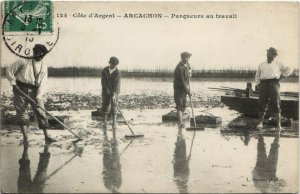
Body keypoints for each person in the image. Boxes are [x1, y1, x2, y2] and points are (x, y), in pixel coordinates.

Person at [6, 44, 56, 143]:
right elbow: (9, 70)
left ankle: (47, 136)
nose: (40, 56)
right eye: (37, 53)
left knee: (41, 112)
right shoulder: (23, 61)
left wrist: (38, 96)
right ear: (34, 52)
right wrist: (14, 84)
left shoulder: (43, 66)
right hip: (20, 90)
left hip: (35, 91)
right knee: (22, 114)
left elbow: (43, 83)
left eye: (42, 54)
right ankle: (26, 139)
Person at [255, 47, 293, 131]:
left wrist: (281, 77)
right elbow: (257, 75)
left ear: (275, 55)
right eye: (268, 54)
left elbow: (289, 69)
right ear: (267, 54)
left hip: (274, 83)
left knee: (276, 103)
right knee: (262, 103)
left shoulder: (279, 63)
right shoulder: (261, 64)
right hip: (263, 84)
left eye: (272, 54)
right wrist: (258, 85)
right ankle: (260, 123)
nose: (269, 55)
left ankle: (279, 125)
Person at [101, 56, 121, 126]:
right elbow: (103, 83)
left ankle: (114, 122)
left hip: (115, 91)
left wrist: (114, 93)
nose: (113, 66)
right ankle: (104, 121)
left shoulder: (117, 72)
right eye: (112, 65)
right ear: (110, 63)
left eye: (115, 65)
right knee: (105, 105)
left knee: (114, 106)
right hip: (106, 90)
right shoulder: (104, 70)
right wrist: (108, 92)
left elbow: (116, 84)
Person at [173, 52, 192, 126]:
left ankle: (180, 119)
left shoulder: (187, 65)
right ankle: (180, 123)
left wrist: (190, 73)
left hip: (185, 88)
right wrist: (188, 91)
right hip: (178, 89)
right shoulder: (179, 68)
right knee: (179, 105)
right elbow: (182, 81)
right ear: (181, 58)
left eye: (188, 57)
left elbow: (189, 69)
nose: (186, 59)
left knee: (184, 105)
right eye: (185, 57)